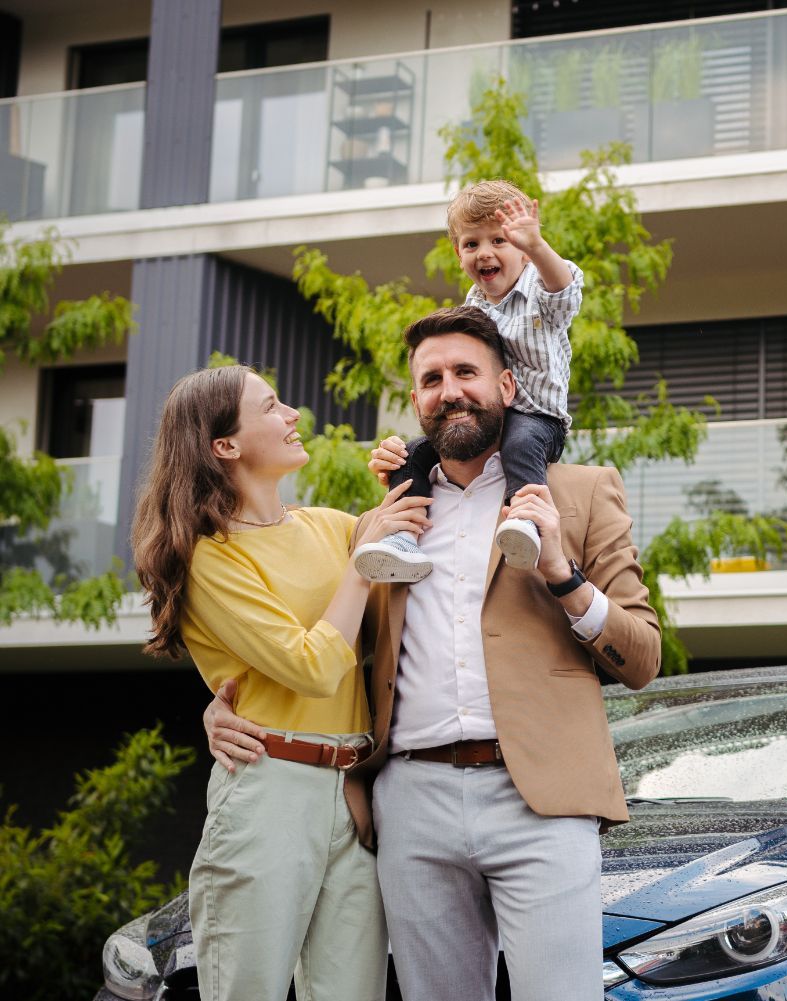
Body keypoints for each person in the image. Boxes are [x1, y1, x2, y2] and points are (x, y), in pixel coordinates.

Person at [206, 306, 662, 1001]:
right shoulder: (379, 523)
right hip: (409, 802)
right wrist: (219, 700)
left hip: (539, 798)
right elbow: (304, 635)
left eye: (466, 373)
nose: (449, 389)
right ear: (416, 398)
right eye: (431, 378)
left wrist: (565, 577)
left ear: (509, 386)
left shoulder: (580, 491)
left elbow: (643, 657)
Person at [131, 364, 432, 1001]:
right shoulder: (209, 555)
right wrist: (363, 562)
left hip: (354, 797)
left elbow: (396, 628)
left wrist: (407, 461)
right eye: (271, 407)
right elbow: (313, 666)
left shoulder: (328, 525)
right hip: (269, 792)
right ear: (225, 445)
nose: (293, 414)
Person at [353, 179, 583, 584]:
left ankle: (524, 521)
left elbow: (564, 291)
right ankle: (404, 537)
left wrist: (536, 246)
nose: (485, 253)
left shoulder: (537, 287)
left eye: (500, 240)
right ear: (458, 254)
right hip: (492, 415)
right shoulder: (472, 306)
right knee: (412, 455)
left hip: (537, 417)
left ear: (523, 252)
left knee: (520, 444)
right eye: (472, 244)